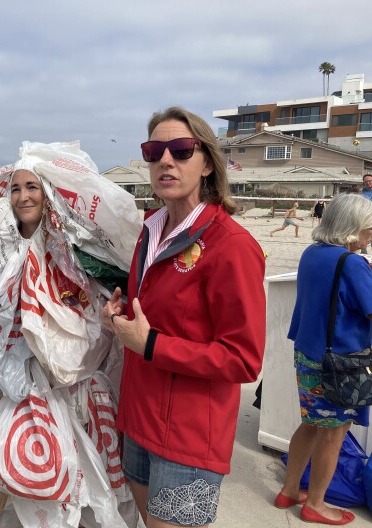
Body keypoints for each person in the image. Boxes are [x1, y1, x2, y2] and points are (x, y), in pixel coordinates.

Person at [0, 142, 141, 527]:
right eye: (16, 188)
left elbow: (93, 314)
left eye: (32, 187)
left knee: (62, 477)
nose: (23, 195)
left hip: (63, 388)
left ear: (47, 192)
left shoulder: (73, 249)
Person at [102, 107, 266, 527]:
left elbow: (243, 359)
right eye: (154, 150)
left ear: (207, 162)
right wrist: (119, 319)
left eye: (181, 149)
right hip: (138, 421)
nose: (165, 160)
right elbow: (152, 316)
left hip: (188, 439)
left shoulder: (231, 245)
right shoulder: (149, 230)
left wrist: (150, 343)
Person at [276, 193, 372, 525]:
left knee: (313, 424)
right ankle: (315, 503)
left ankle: (290, 489)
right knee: (335, 432)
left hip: (307, 353)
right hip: (340, 363)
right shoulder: (353, 263)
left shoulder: (312, 253)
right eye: (368, 228)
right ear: (352, 228)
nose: (371, 234)